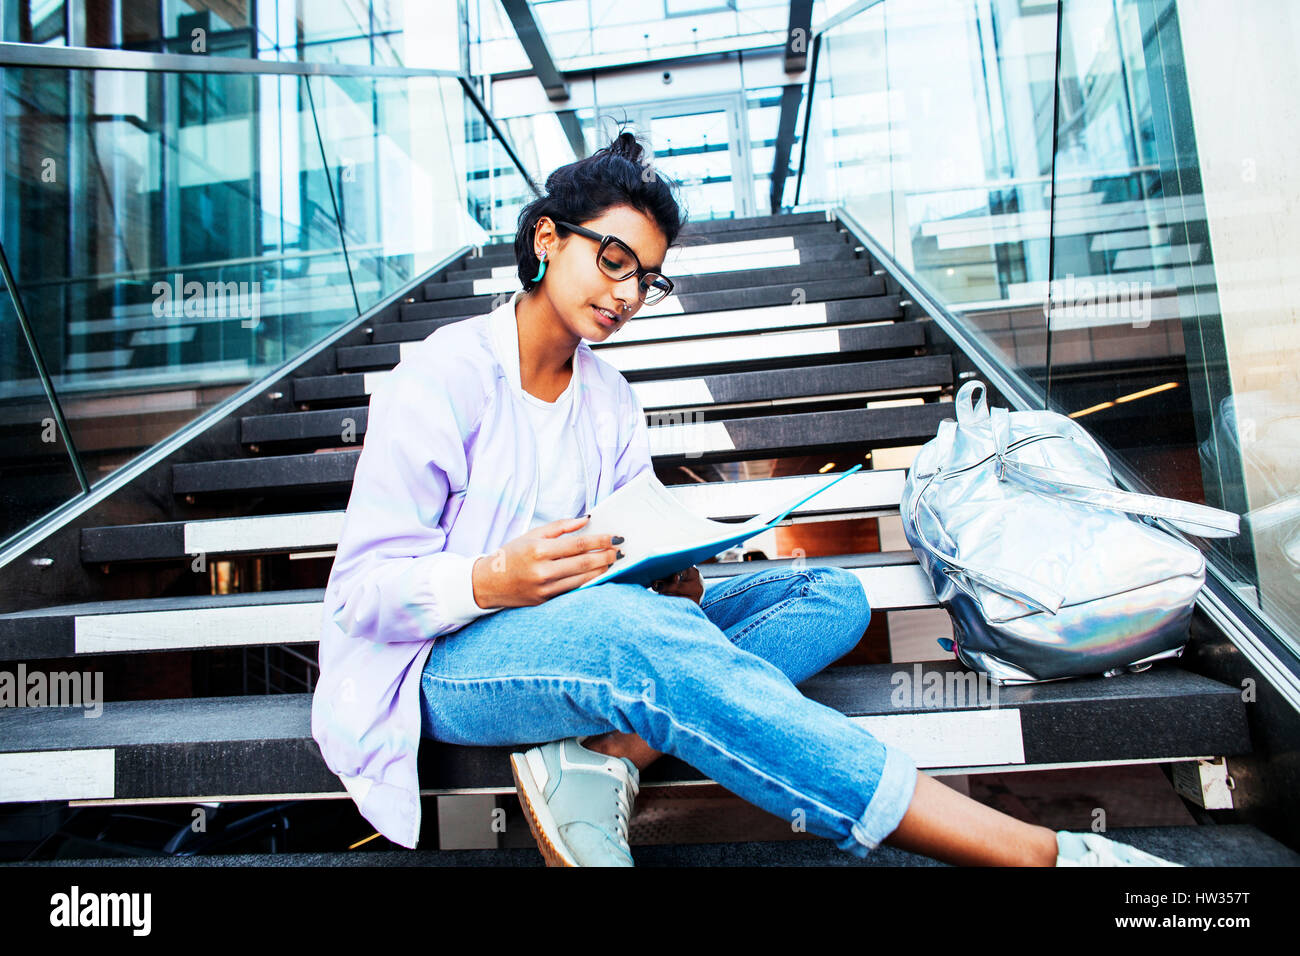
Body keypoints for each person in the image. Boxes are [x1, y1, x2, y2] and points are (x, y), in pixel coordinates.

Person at [312, 130, 1181, 868]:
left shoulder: (609, 397)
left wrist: (669, 572)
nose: (625, 294)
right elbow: (359, 597)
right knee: (637, 636)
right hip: (450, 664)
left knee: (826, 594)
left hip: (600, 623)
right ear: (546, 238)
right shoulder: (439, 379)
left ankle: (612, 755)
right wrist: (492, 580)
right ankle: (1033, 853)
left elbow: (626, 536)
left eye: (646, 279)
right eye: (613, 261)